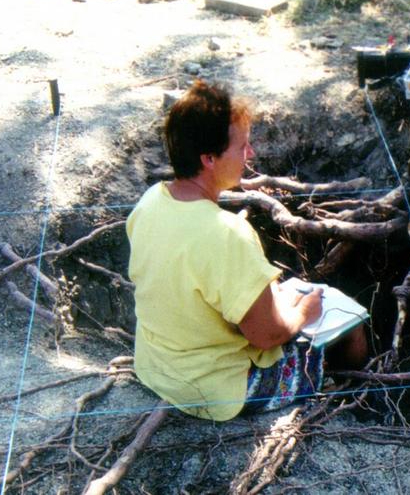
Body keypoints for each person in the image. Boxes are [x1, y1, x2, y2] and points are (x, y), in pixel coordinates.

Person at [127, 80, 367, 420]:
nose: (250, 154)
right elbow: (266, 335)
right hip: (213, 390)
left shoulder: (151, 201)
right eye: (242, 147)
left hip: (156, 366)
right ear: (208, 159)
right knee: (351, 320)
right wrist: (304, 311)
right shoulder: (228, 233)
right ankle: (357, 403)